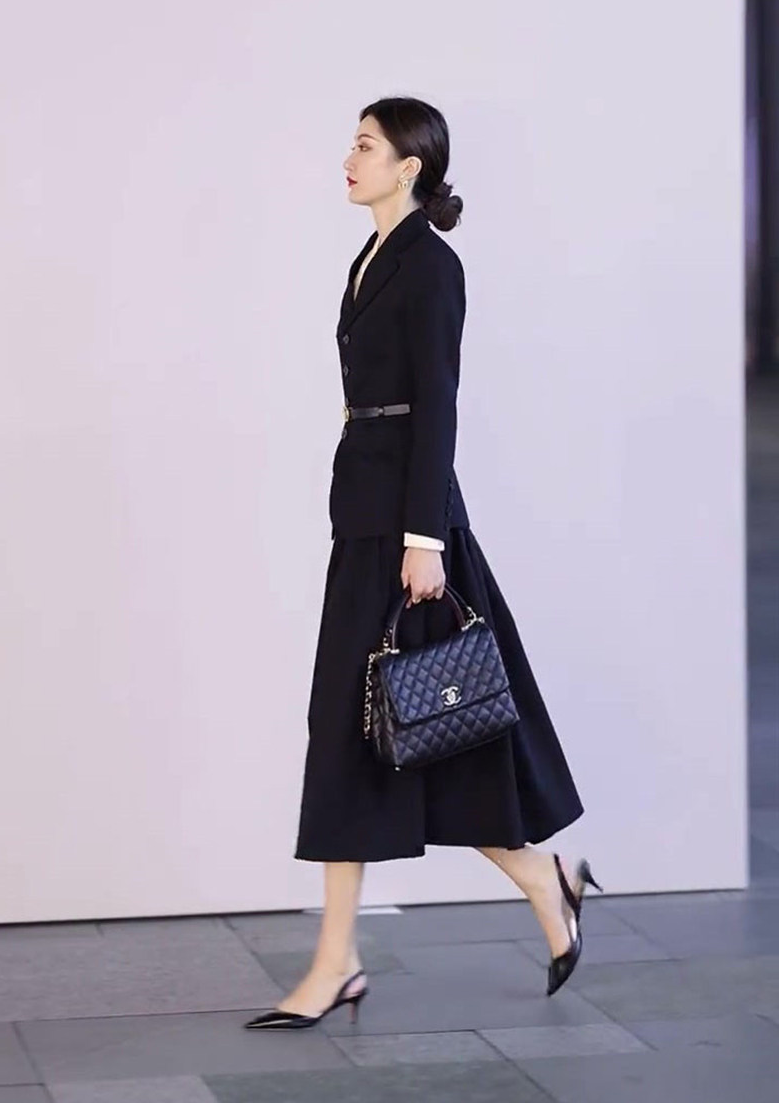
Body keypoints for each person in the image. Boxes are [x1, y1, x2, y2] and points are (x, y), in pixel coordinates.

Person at [243, 97, 598, 1032]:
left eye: (365, 144)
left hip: (409, 528)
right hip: (367, 515)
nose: (348, 157)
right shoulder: (371, 257)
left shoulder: (433, 265)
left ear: (410, 165)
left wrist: (424, 541)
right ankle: (530, 886)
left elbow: (437, 402)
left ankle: (355, 956)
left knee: (438, 724)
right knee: (368, 729)